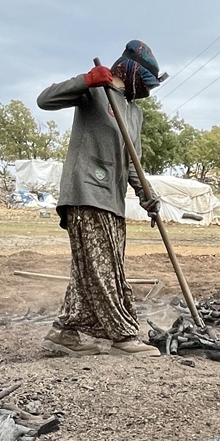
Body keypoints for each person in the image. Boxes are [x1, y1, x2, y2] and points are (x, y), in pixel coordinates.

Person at [36, 40, 165, 358]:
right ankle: (122, 335)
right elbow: (45, 100)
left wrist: (148, 196)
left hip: (113, 201)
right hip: (85, 194)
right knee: (103, 270)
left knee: (93, 270)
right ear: (133, 71)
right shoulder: (95, 92)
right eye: (146, 82)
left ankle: (66, 333)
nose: (147, 91)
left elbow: (132, 161)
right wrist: (86, 79)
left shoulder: (135, 113)